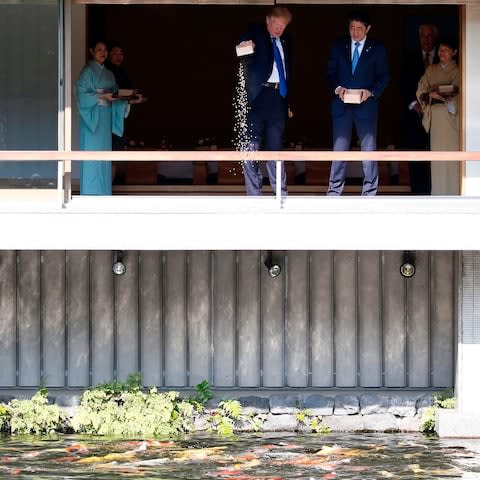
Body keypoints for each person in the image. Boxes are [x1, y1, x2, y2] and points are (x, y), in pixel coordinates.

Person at [326, 10, 390, 196]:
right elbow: (330, 73)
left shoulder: (377, 48)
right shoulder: (338, 46)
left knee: (368, 149)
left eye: (359, 29)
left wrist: (370, 91)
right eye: (352, 28)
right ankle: (334, 191)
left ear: (368, 29)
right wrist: (338, 88)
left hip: (366, 105)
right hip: (342, 105)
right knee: (339, 148)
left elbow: (384, 76)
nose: (355, 32)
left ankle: (370, 191)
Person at [236, 6, 292, 196]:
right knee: (250, 149)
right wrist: (245, 46)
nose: (278, 29)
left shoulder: (285, 41)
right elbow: (241, 48)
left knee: (276, 151)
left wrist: (288, 102)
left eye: (282, 26)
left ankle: (280, 195)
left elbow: (287, 72)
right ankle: (254, 194)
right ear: (268, 20)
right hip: (257, 99)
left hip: (278, 99)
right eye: (276, 24)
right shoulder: (257, 32)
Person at [76, 40, 128, 195]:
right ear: (92, 51)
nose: (103, 53)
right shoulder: (87, 72)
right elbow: (82, 95)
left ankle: (104, 192)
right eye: (99, 49)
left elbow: (116, 95)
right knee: (92, 156)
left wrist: (128, 100)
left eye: (105, 50)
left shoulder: (109, 74)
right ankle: (91, 192)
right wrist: (102, 96)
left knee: (105, 156)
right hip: (92, 117)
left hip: (105, 118)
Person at [416, 38, 459, 195]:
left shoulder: (458, 71)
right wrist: (429, 94)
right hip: (436, 118)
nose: (442, 53)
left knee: (452, 159)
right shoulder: (431, 70)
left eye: (446, 50)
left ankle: (454, 192)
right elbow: (421, 89)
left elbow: (458, 94)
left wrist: (440, 95)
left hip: (451, 120)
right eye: (440, 50)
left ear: (454, 52)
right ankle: (438, 193)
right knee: (438, 160)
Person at [401, 23, 439, 195]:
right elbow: (403, 85)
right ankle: (417, 192)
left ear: (435, 37)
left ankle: (437, 189)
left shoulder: (443, 56)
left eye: (429, 35)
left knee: (437, 152)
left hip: (439, 116)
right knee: (415, 152)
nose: (426, 39)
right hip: (414, 115)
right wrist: (414, 104)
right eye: (423, 36)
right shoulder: (409, 58)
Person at [106, 41, 133, 152]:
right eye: (115, 53)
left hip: (121, 111)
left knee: (118, 148)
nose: (119, 57)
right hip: (109, 113)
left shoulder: (122, 72)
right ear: (109, 55)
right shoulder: (107, 72)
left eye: (121, 54)